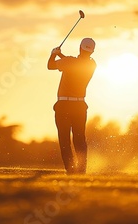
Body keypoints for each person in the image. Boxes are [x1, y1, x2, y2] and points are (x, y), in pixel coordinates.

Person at [47, 38, 96, 174]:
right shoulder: (92, 64)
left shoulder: (69, 62)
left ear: (80, 48)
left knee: (64, 139)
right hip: (80, 106)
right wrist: (61, 55)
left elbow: (50, 66)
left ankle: (71, 169)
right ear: (92, 51)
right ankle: (81, 169)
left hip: (64, 105)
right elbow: (74, 63)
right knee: (79, 139)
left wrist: (53, 54)